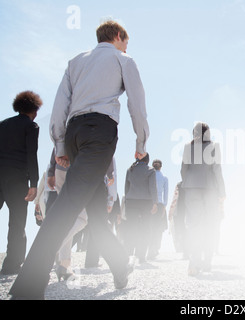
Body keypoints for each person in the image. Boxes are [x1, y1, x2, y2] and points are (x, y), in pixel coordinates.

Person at [9, 20, 149, 299]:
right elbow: (137, 102)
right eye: (126, 41)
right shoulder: (124, 59)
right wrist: (141, 141)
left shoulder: (75, 61)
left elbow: (61, 103)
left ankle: (120, 265)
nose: (126, 46)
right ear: (119, 36)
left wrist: (60, 142)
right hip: (99, 134)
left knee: (96, 212)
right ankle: (28, 286)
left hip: (74, 134)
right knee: (68, 203)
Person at [0, 91, 42, 275]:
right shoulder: (31, 126)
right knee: (16, 222)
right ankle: (11, 265)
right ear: (34, 109)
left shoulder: (3, 124)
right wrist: (34, 183)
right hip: (17, 179)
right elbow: (31, 154)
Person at [181, 122, 226, 276]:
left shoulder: (188, 147)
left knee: (194, 225)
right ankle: (207, 262)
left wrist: (188, 184)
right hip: (210, 190)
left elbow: (183, 169)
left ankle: (194, 262)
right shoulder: (214, 146)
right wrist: (222, 191)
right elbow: (217, 169)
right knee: (210, 225)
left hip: (192, 190)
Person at [123, 154, 158, 264]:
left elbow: (126, 187)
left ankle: (128, 254)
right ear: (147, 160)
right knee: (145, 229)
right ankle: (141, 256)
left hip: (131, 201)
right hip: (146, 202)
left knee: (130, 228)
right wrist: (155, 202)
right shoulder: (151, 170)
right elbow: (153, 187)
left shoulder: (130, 169)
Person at [146, 159, 169, 260]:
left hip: (150, 204)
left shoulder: (149, 176)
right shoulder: (164, 178)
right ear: (161, 166)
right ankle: (154, 249)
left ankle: (150, 249)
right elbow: (166, 194)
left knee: (149, 227)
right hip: (160, 205)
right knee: (158, 228)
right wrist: (164, 206)